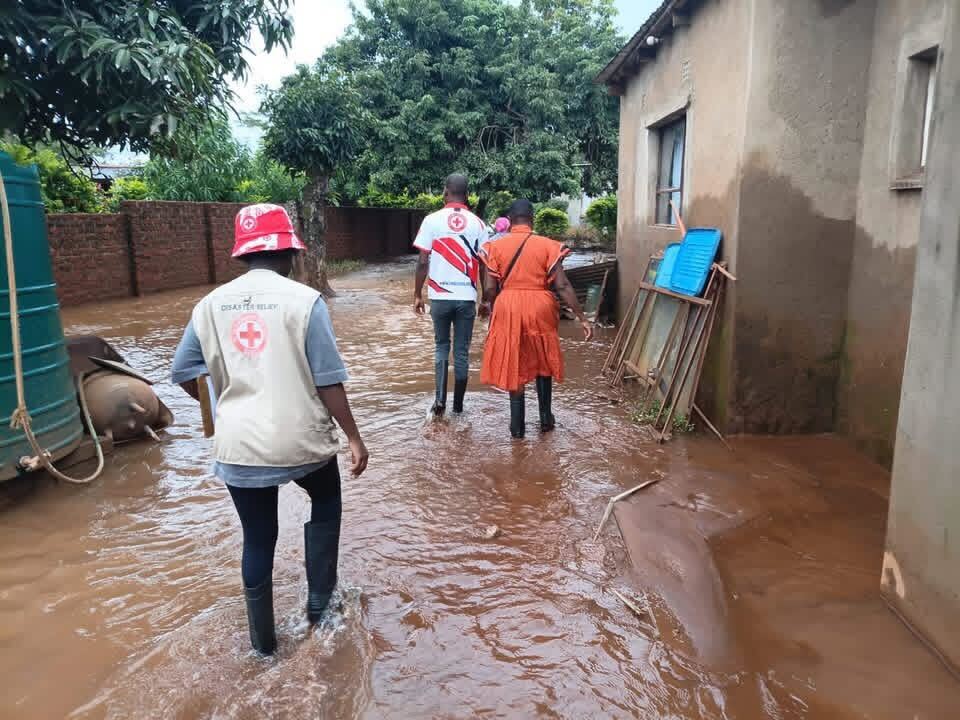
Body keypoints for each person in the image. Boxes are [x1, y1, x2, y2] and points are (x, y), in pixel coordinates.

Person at [170, 203, 369, 655]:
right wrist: (354, 437)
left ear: (241, 255)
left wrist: (226, 401)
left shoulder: (209, 305)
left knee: (258, 537)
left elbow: (183, 371)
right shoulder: (305, 301)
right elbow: (327, 380)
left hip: (238, 443)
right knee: (326, 500)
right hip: (300, 439)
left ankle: (263, 646)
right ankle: (320, 608)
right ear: (292, 254)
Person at [480, 199, 593, 438]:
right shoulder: (548, 246)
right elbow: (562, 285)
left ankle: (517, 430)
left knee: (513, 360)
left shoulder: (494, 247)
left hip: (508, 305)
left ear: (509, 221)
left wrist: (488, 304)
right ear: (532, 219)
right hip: (540, 305)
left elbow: (490, 288)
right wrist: (581, 317)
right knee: (542, 356)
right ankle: (545, 420)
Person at [413, 174, 491, 416]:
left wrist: (417, 294)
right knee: (461, 352)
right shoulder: (479, 224)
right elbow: (486, 266)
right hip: (466, 297)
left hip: (439, 296)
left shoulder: (431, 221)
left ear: (445, 192)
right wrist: (486, 299)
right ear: (467, 195)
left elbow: (423, 261)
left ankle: (439, 403)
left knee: (440, 347)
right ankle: (458, 408)